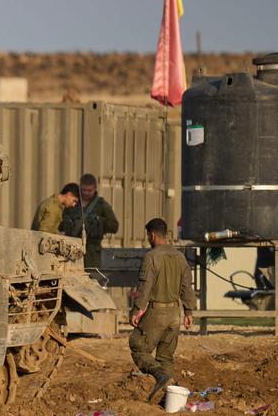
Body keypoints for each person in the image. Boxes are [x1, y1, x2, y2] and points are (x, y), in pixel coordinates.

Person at [130, 218, 197, 403]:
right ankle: (167, 400)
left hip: (157, 312)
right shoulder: (180, 257)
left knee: (137, 346)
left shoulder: (151, 257)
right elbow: (187, 287)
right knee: (166, 356)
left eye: (147, 236)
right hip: (176, 313)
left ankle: (160, 376)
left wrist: (137, 310)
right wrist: (189, 312)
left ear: (152, 235)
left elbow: (145, 287)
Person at [62, 173, 119, 268]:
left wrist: (99, 221)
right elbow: (61, 223)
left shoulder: (101, 205)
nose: (86, 193)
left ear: (95, 189)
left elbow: (114, 226)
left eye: (89, 190)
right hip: (72, 249)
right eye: (83, 190)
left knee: (92, 276)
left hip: (92, 252)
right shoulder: (73, 202)